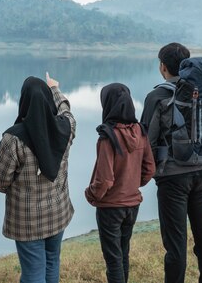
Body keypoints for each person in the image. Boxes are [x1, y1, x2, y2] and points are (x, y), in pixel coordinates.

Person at [140, 43, 202, 283]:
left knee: (176, 245)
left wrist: (142, 175)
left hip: (172, 178)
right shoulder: (201, 91)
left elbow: (145, 140)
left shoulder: (158, 96)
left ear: (163, 67)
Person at [0, 73, 76, 283]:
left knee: (33, 272)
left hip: (27, 221)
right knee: (52, 262)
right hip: (58, 213)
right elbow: (67, 111)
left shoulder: (12, 140)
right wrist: (55, 90)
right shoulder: (65, 128)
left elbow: (0, 182)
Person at [85, 83, 155, 283]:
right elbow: (150, 169)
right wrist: (131, 185)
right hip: (132, 205)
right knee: (123, 253)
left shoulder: (108, 137)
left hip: (111, 208)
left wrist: (90, 195)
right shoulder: (141, 132)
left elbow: (104, 179)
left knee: (113, 260)